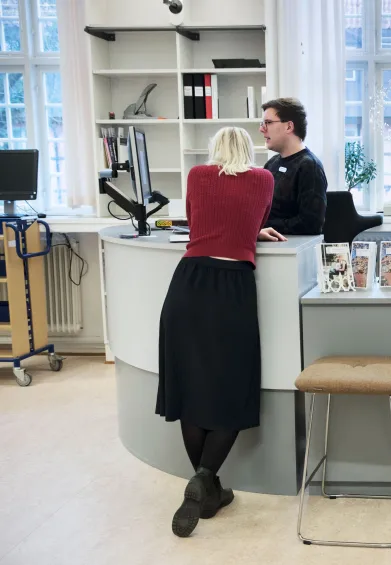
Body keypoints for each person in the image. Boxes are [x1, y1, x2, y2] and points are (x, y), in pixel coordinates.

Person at [156, 127, 284, 538]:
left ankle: (205, 486)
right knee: (231, 388)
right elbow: (255, 219)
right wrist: (251, 230)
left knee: (192, 388)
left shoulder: (197, 175)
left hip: (188, 283)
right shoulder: (265, 178)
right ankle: (206, 480)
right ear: (250, 150)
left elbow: (197, 219)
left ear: (213, 152)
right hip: (233, 287)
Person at [258, 97, 328, 238]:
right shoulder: (271, 163)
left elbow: (310, 224)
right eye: (263, 123)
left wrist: (265, 225)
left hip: (290, 249)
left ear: (289, 126)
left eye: (268, 123)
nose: (262, 129)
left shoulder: (309, 166)